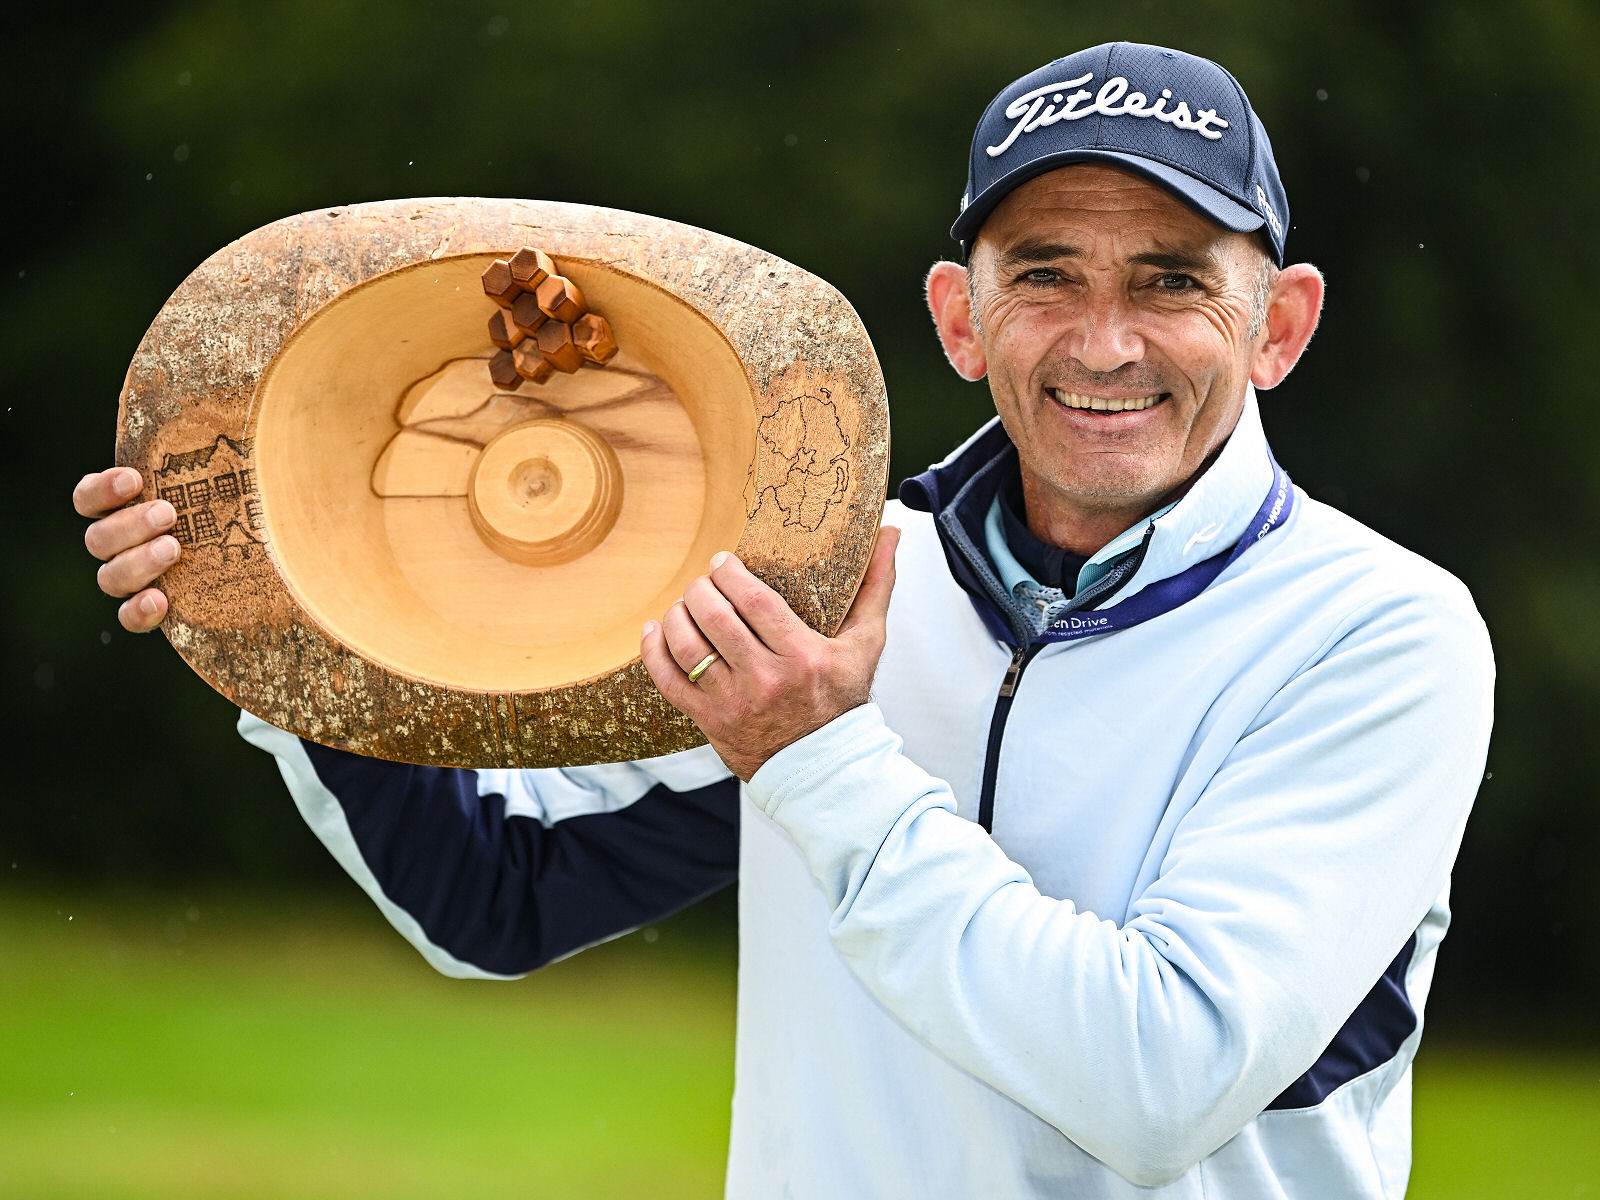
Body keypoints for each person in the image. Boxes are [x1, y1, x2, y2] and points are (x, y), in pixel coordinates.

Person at [74, 42, 1493, 1199]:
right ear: (958, 316)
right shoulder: (830, 580)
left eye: (1174, 280)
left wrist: (815, 757)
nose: (1103, 339)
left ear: (1279, 325)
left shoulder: (1380, 636)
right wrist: (293, 614)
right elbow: (492, 893)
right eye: (1044, 273)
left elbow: (1158, 1078)